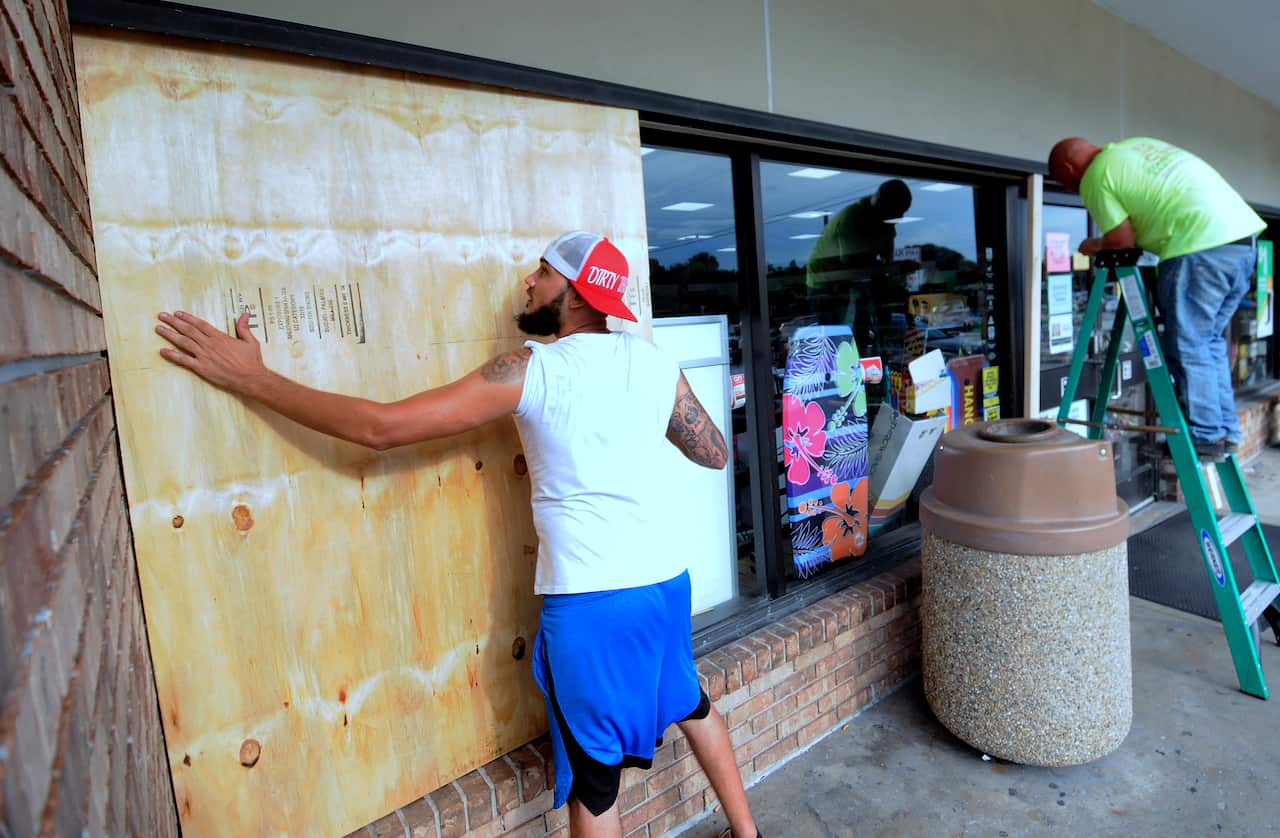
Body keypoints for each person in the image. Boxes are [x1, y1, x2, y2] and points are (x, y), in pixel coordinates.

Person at [154, 231, 760, 838]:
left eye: (543, 273)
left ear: (576, 297)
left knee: (596, 789)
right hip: (662, 588)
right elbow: (710, 452)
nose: (528, 282)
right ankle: (748, 833)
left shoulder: (533, 371)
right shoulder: (652, 362)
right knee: (691, 703)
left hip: (594, 603)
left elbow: (380, 427)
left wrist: (254, 379)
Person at [1048, 137, 1265, 462]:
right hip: (1240, 244)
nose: (1070, 191)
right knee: (1208, 343)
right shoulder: (1133, 148)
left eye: (1065, 184)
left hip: (1199, 247)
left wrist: (1095, 245)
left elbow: (1122, 239)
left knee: (1190, 344)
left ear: (1069, 169)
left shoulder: (1096, 175)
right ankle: (1224, 432)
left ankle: (1207, 436)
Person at [805, 178, 913, 326]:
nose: (900, 218)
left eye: (901, 213)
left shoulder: (885, 219)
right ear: (880, 204)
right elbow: (854, 268)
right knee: (833, 330)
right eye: (896, 213)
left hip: (851, 277)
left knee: (868, 312)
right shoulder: (852, 218)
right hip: (825, 282)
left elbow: (886, 256)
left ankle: (872, 338)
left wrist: (891, 267)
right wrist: (894, 268)